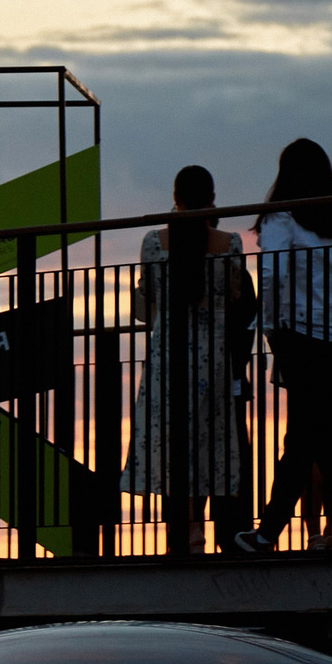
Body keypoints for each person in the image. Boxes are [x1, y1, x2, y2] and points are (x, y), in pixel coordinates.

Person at [235, 139, 332, 555]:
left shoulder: (281, 219)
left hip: (300, 339)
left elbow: (272, 276)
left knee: (304, 439)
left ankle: (268, 534)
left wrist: (270, 328)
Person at [121, 166, 257, 554]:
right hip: (213, 355)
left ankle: (187, 532)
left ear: (175, 198)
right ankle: (212, 532)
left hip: (167, 355)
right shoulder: (229, 243)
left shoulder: (153, 242)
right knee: (211, 443)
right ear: (212, 200)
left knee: (171, 445)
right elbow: (235, 297)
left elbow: (146, 303)